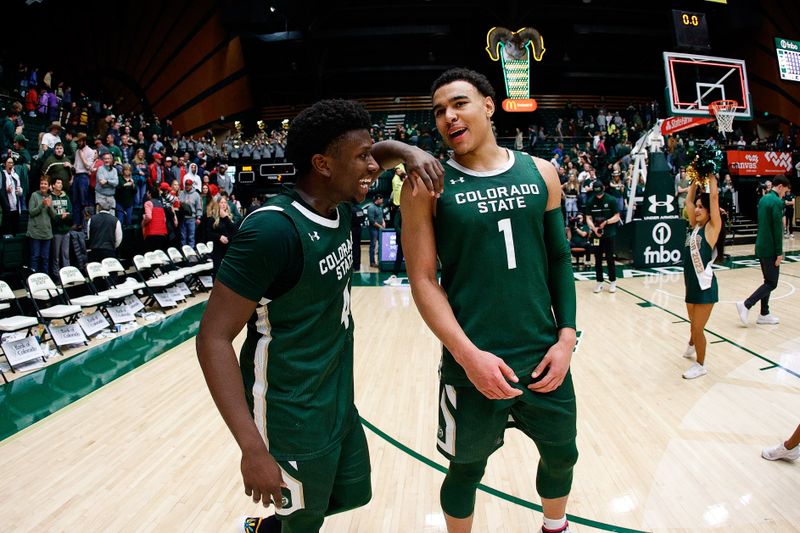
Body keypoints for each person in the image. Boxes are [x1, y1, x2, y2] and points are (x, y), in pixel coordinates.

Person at [196, 99, 442, 533]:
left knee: (351, 492)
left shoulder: (340, 207)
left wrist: (405, 151)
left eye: (372, 154)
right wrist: (252, 449)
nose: (373, 166)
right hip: (289, 409)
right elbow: (212, 339)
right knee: (303, 522)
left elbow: (376, 156)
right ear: (322, 165)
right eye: (362, 157)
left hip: (335, 396)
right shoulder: (271, 231)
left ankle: (274, 525)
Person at [401, 68, 577, 533]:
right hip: (473, 362)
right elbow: (422, 279)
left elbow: (559, 258)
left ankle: (554, 528)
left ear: (488, 105)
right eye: (439, 110)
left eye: (458, 103)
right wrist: (467, 354)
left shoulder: (541, 172)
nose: (448, 116)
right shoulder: (425, 185)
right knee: (465, 470)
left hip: (544, 356)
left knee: (563, 456)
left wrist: (567, 338)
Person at [681, 176, 724, 380]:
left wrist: (711, 175)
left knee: (698, 327)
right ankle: (692, 342)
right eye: (697, 206)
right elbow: (687, 202)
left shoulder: (711, 228)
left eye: (701, 207)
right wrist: (695, 179)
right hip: (691, 286)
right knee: (693, 325)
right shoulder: (695, 225)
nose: (696, 209)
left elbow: (714, 197)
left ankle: (701, 364)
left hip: (705, 287)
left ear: (709, 211)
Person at [736, 174, 789, 326]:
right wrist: (779, 252)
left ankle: (764, 313)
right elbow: (777, 229)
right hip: (771, 247)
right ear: (779, 187)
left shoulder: (763, 199)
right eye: (784, 191)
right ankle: (746, 304)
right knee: (772, 283)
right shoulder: (777, 202)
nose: (784, 194)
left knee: (768, 281)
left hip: (761, 244)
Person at [585, 180, 620, 294]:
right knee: (598, 259)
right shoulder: (590, 201)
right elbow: (588, 218)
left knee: (610, 258)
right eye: (596, 192)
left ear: (603, 189)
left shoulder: (611, 200)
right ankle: (599, 281)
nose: (598, 194)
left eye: (600, 192)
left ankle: (613, 281)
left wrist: (606, 222)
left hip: (609, 233)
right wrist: (593, 228)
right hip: (596, 234)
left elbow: (617, 216)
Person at [27, 177, 56, 273]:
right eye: (42, 183)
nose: (43, 185)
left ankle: (46, 280)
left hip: (46, 233)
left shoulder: (50, 197)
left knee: (45, 258)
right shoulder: (34, 195)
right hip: (35, 233)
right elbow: (31, 212)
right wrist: (42, 205)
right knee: (35, 257)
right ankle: (33, 281)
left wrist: (49, 206)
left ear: (49, 186)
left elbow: (53, 216)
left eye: (45, 184)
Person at [204, 197, 237, 274]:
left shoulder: (230, 217)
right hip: (218, 247)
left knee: (229, 271)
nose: (223, 204)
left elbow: (234, 230)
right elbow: (208, 233)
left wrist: (226, 217)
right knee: (216, 270)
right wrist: (219, 237)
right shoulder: (213, 218)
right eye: (221, 203)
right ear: (217, 204)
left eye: (225, 202)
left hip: (229, 247)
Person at [50, 176, 73, 277]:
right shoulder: (50, 197)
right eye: (58, 183)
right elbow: (52, 216)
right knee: (56, 256)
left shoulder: (66, 197)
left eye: (61, 183)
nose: (60, 185)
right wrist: (61, 217)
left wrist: (65, 217)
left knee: (66, 254)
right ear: (53, 185)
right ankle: (57, 276)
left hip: (66, 230)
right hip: (56, 231)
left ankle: (68, 275)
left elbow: (71, 213)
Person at [1, 156, 23, 235]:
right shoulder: (2, 175)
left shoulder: (16, 175)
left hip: (15, 206)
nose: (11, 164)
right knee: (6, 229)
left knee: (15, 229)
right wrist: (6, 190)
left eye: (12, 163)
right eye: (9, 163)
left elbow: (20, 190)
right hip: (6, 206)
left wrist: (19, 190)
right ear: (5, 164)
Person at [367, 194, 385, 267]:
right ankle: (372, 262)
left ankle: (380, 261)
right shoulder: (371, 208)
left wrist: (383, 222)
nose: (382, 201)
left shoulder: (380, 207)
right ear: (378, 199)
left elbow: (381, 216)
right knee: (373, 246)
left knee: (381, 245)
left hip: (380, 229)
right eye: (381, 199)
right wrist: (380, 226)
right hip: (373, 229)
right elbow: (372, 221)